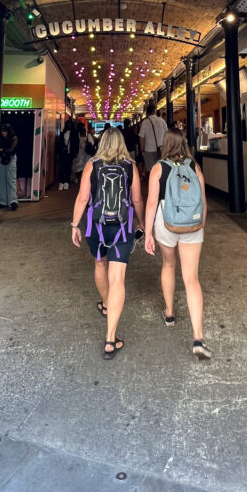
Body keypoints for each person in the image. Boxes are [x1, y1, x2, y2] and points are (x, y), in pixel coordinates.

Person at [71, 127, 147, 358]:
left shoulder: (92, 165)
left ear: (102, 142)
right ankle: (110, 339)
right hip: (122, 227)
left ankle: (106, 303)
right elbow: (136, 199)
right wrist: (141, 223)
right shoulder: (130, 166)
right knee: (118, 278)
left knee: (100, 264)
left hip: (96, 226)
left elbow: (83, 197)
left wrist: (75, 225)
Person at [144, 129, 211, 359]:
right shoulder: (195, 167)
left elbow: (152, 202)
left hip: (167, 223)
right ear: (184, 143)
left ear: (165, 144)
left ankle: (170, 313)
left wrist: (148, 232)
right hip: (192, 225)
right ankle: (198, 337)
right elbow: (202, 200)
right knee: (191, 278)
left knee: (169, 265)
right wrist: (200, 225)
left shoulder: (158, 168)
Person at [139, 102, 167, 174]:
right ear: (155, 111)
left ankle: (153, 183)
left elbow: (142, 137)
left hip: (148, 149)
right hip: (161, 149)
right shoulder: (162, 121)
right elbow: (167, 135)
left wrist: (142, 149)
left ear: (147, 112)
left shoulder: (145, 122)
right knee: (161, 168)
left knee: (152, 170)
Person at [0, 122, 18, 210]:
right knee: (4, 179)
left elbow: (10, 150)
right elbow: (10, 149)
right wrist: (5, 151)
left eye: (5, 131)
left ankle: (9, 201)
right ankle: (9, 201)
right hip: (8, 158)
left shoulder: (3, 139)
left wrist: (2, 150)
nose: (3, 133)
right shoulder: (13, 138)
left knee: (9, 180)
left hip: (5, 158)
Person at [56, 117, 79, 190]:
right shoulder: (63, 133)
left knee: (68, 168)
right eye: (68, 124)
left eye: (70, 124)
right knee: (62, 168)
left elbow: (76, 144)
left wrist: (75, 152)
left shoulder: (74, 134)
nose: (69, 125)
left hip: (70, 153)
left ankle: (66, 182)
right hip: (63, 153)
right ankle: (62, 182)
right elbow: (59, 143)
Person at [70, 120, 90, 186]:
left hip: (78, 152)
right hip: (83, 152)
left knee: (75, 165)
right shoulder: (85, 134)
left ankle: (76, 178)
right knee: (82, 166)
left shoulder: (76, 134)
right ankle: (80, 178)